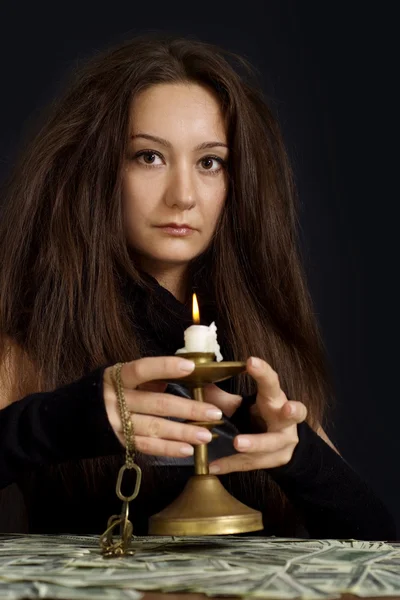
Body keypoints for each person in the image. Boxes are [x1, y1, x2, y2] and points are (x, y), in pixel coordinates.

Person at [0, 33, 395, 540]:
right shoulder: (31, 348)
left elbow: (381, 552)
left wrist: (299, 456)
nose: (183, 196)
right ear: (95, 169)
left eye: (210, 162)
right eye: (149, 157)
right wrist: (56, 423)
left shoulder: (256, 348)